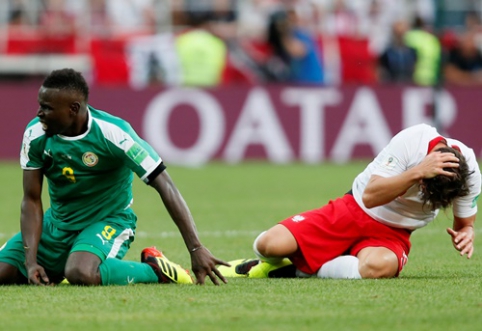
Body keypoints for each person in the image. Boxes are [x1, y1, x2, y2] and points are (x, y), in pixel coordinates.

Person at [0, 68, 228, 286]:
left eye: (47, 108)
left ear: (73, 108)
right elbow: (30, 200)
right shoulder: (35, 134)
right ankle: (55, 263)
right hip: (58, 224)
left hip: (109, 221)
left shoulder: (114, 134)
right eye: (40, 106)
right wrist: (31, 263)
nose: (39, 113)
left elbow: (165, 185)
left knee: (80, 272)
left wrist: (196, 248)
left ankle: (156, 270)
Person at [219, 124, 481, 279]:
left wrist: (466, 232)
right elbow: (371, 195)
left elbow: (464, 223)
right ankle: (274, 262)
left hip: (394, 233)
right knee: (269, 245)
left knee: (378, 267)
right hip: (353, 209)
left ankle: (296, 270)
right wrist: (417, 172)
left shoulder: (469, 171)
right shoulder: (412, 141)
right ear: (423, 182)